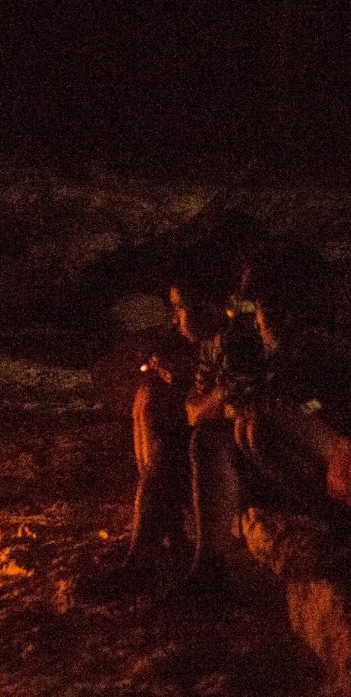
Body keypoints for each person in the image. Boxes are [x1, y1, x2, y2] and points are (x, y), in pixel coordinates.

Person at [192, 244, 351, 587]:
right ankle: (207, 569)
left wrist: (291, 406)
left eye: (259, 314)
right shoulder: (305, 342)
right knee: (244, 428)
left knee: (261, 425)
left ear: (283, 310)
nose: (255, 324)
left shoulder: (346, 342)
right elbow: (315, 403)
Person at [106, 240, 249, 592]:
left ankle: (189, 558)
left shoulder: (240, 340)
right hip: (231, 432)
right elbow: (198, 403)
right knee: (155, 415)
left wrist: (212, 401)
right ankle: (145, 555)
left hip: (255, 446)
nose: (175, 316)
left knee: (191, 439)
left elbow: (304, 401)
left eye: (179, 307)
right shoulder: (211, 345)